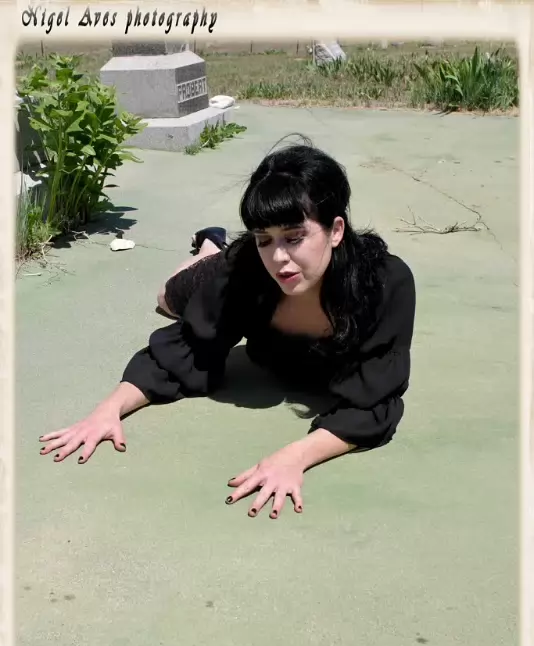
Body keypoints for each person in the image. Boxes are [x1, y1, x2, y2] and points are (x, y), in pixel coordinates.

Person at [39, 138, 416, 520]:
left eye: (294, 237)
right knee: (167, 298)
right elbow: (179, 354)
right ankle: (210, 246)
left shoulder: (385, 285)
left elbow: (376, 404)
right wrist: (108, 410)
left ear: (335, 230)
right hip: (228, 268)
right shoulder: (248, 269)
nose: (279, 257)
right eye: (264, 239)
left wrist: (295, 457)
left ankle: (214, 248)